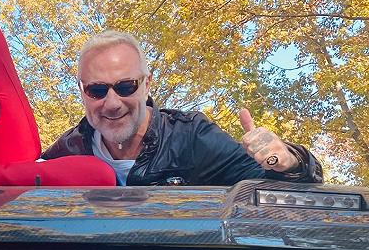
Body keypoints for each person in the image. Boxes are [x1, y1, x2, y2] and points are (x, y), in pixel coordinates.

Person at [40, 30, 322, 186]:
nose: (112, 103)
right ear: (82, 90)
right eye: (97, 90)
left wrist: (290, 161)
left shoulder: (191, 137)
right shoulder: (69, 148)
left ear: (147, 84)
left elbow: (284, 194)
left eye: (126, 87)